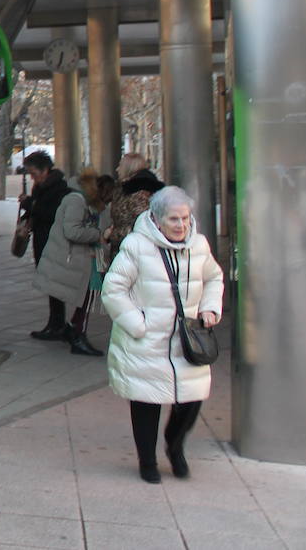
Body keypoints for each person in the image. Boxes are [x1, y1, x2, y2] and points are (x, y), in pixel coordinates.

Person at [101, 186, 223, 483]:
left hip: (187, 340)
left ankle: (175, 445)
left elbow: (214, 278)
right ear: (156, 220)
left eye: (185, 218)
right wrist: (137, 325)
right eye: (174, 219)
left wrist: (209, 309)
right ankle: (147, 461)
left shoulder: (200, 245)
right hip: (146, 341)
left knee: (192, 400)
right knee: (146, 402)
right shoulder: (136, 245)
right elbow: (113, 289)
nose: (181, 225)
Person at [33, 168, 107, 356]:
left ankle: (74, 329)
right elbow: (72, 231)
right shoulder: (76, 201)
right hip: (74, 256)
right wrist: (99, 235)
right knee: (88, 294)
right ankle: (77, 334)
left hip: (81, 255)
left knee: (88, 295)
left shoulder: (79, 200)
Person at [18, 151, 71, 339]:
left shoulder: (59, 189)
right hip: (42, 239)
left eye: (34, 172)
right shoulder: (41, 187)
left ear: (45, 169)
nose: (32, 177)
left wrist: (29, 204)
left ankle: (58, 325)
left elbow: (50, 212)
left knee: (54, 283)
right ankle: (54, 323)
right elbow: (37, 210)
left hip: (54, 241)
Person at [103, 154, 165, 253]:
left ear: (129, 168)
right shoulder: (126, 189)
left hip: (137, 253)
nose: (117, 169)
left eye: (120, 165)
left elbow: (142, 226)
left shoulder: (139, 192)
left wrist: (112, 234)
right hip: (128, 250)